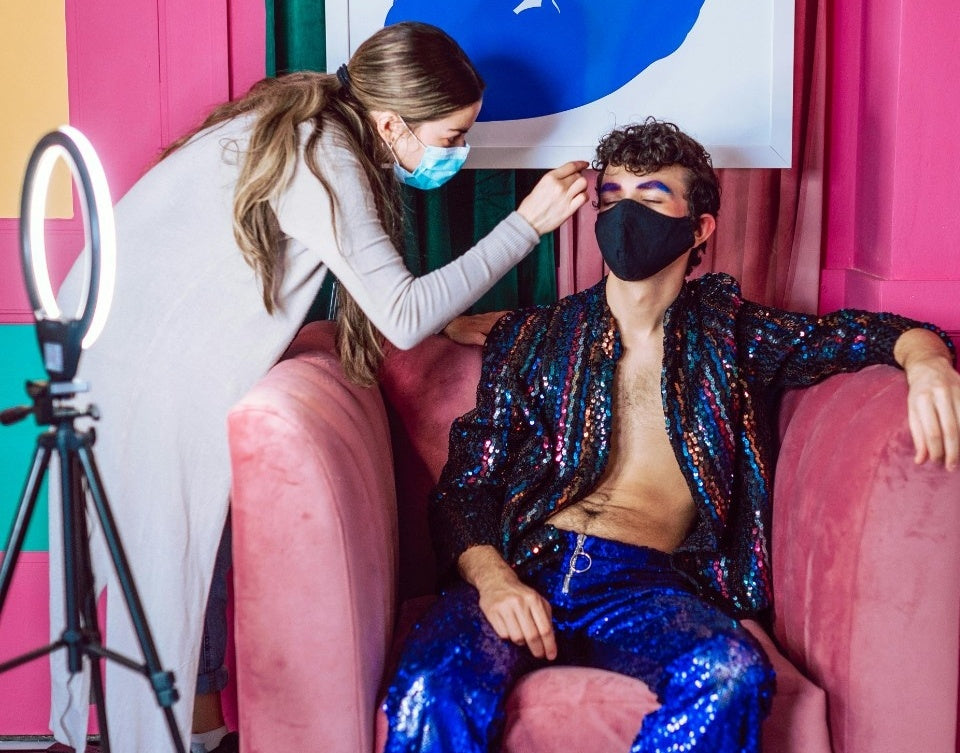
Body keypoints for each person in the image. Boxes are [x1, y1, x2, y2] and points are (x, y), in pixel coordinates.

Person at [48, 21, 589, 753]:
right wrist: (527, 224)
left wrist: (445, 319)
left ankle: (194, 730)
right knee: (166, 563)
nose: (456, 153)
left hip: (115, 342)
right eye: (451, 134)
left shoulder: (316, 126)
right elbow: (398, 314)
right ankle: (166, 737)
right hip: (135, 360)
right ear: (392, 122)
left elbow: (377, 296)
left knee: (188, 551)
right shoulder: (323, 153)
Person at [381, 118, 960, 753]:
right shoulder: (532, 337)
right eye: (611, 196)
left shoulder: (734, 337)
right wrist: (494, 580)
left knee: (729, 676)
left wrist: (929, 366)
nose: (625, 212)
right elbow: (464, 489)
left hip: (642, 583)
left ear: (700, 229)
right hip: (525, 562)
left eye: (651, 195)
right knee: (431, 684)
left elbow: (875, 332)